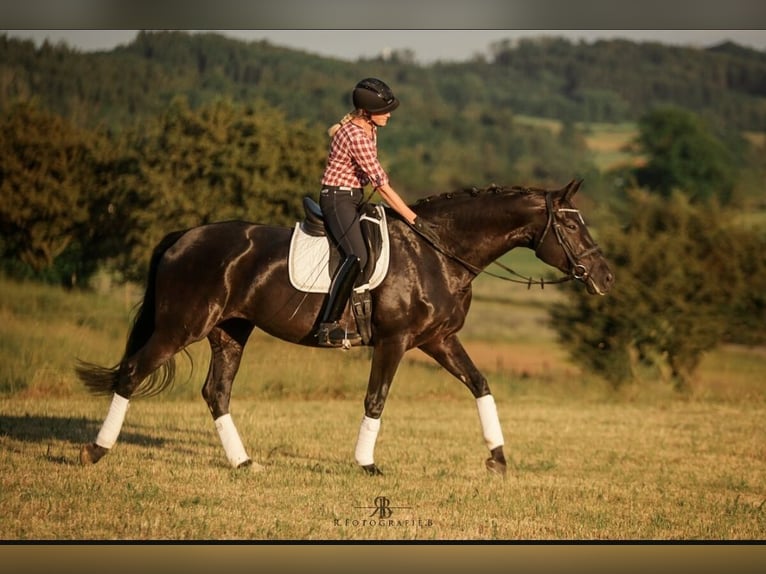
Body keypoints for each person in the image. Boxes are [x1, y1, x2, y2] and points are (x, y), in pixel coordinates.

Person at [316, 77, 427, 347]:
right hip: (337, 199)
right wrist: (413, 218)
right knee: (357, 256)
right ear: (367, 112)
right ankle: (328, 326)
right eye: (383, 111)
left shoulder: (368, 128)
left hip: (353, 197)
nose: (388, 115)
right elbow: (383, 186)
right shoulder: (356, 136)